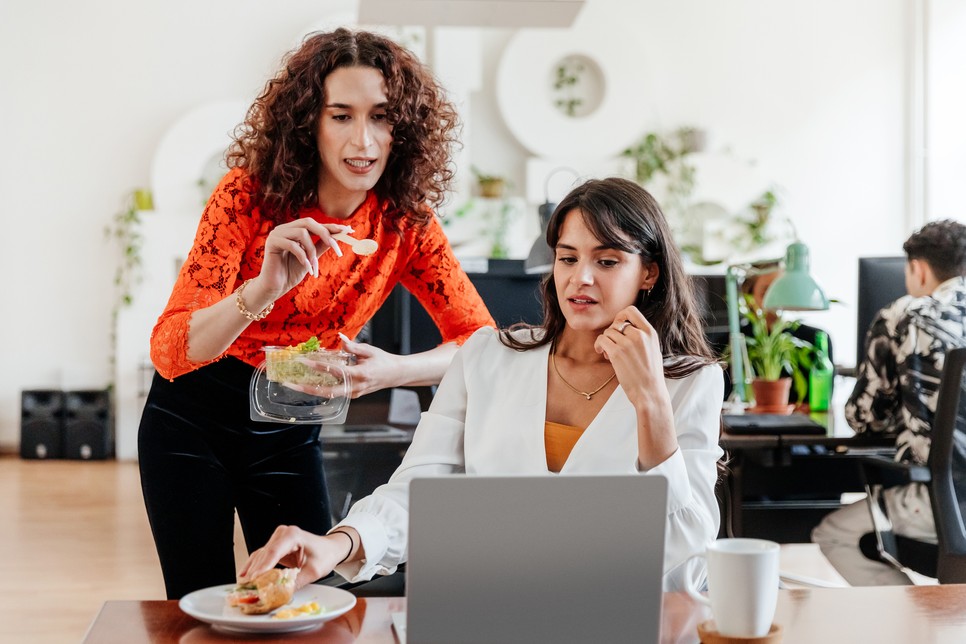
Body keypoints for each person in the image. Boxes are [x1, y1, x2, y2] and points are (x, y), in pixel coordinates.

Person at [138, 28, 495, 599]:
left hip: (290, 422)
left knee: (307, 598)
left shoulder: (406, 223)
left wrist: (392, 371)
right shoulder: (245, 196)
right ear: (309, 123)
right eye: (341, 116)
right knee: (198, 605)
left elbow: (482, 343)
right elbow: (170, 349)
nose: (364, 141)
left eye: (381, 117)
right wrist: (262, 290)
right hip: (190, 422)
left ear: (403, 128)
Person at [240, 177, 725, 593]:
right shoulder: (487, 356)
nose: (581, 278)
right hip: (492, 607)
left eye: (607, 261)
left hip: (627, 618)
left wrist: (650, 401)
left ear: (649, 273)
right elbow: (416, 492)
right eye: (567, 258)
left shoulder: (691, 383)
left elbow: (688, 543)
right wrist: (338, 544)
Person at [812, 219, 966, 585]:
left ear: (918, 269)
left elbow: (865, 417)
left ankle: (912, 618)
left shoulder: (905, 315)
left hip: (948, 499)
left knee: (833, 533)